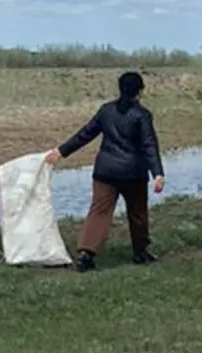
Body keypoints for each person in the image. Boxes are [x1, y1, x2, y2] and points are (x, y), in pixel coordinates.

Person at [45, 71, 165, 272]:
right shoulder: (142, 115)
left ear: (120, 89)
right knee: (138, 213)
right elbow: (149, 145)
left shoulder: (106, 111)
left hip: (105, 171)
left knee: (99, 212)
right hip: (133, 173)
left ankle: (86, 255)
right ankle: (140, 253)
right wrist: (158, 173)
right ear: (140, 91)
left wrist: (61, 151)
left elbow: (85, 134)